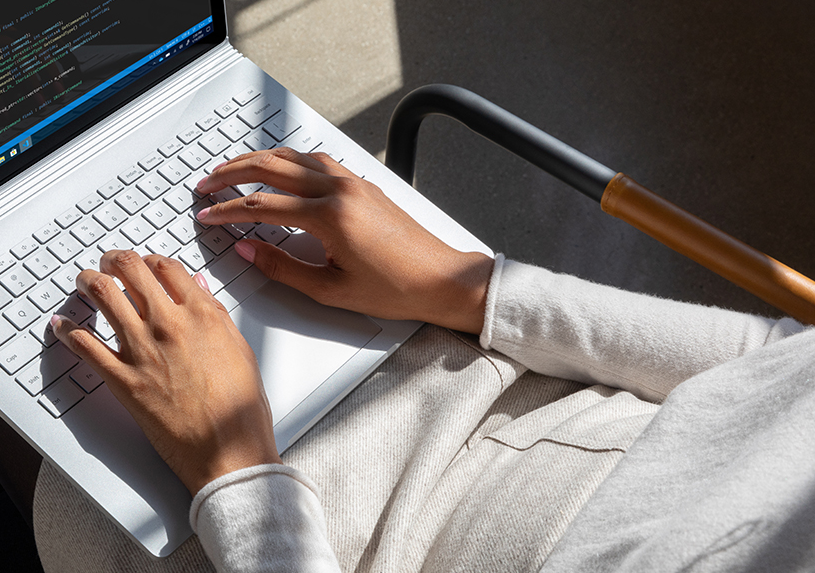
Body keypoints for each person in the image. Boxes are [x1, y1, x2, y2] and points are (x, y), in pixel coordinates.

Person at [41, 147, 815, 573]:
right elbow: (774, 364)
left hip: (334, 544)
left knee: (59, 444)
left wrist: (232, 465)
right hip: (516, 375)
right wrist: (465, 287)